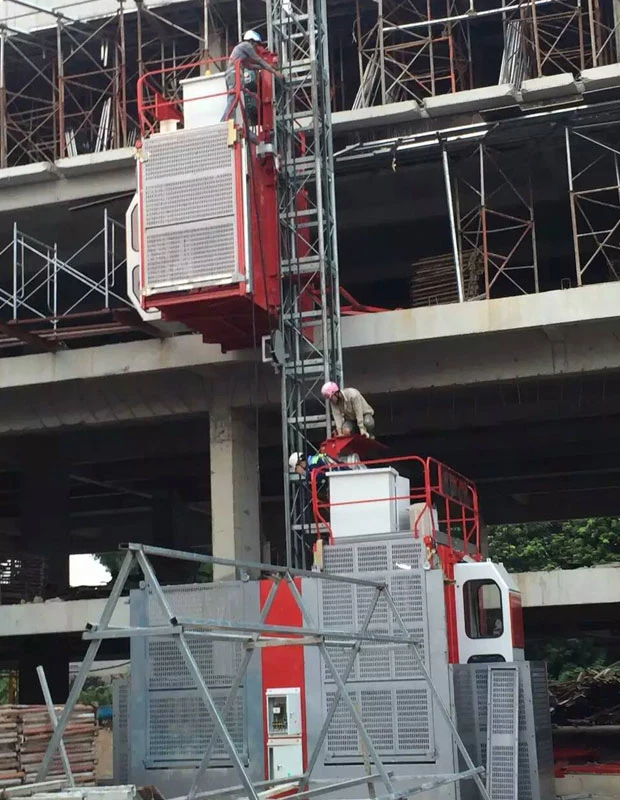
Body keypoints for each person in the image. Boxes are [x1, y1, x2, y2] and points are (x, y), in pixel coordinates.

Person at [221, 30, 279, 126]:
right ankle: (225, 121)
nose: (256, 48)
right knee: (233, 99)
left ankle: (230, 122)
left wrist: (268, 67)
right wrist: (274, 71)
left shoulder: (240, 51)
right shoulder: (246, 46)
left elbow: (250, 66)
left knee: (233, 100)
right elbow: (258, 59)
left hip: (231, 74)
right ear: (251, 41)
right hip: (234, 73)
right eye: (256, 45)